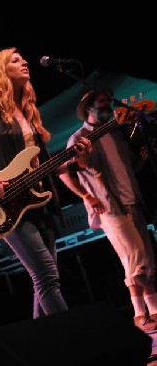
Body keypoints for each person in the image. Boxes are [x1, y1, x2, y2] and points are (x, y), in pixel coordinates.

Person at [0, 47, 92, 319]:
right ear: (1, 71)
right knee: (47, 278)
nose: (24, 61)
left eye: (22, 58)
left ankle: (40, 348)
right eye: (15, 60)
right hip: (6, 204)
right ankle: (73, 343)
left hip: (36, 200)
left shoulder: (26, 110)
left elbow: (40, 166)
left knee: (44, 281)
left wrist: (73, 161)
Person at [58, 88, 157, 332]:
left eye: (107, 103)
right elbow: (64, 172)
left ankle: (154, 311)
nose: (106, 106)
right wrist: (86, 196)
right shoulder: (79, 138)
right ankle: (138, 315)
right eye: (101, 103)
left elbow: (128, 169)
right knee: (136, 259)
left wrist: (144, 155)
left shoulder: (114, 133)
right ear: (89, 109)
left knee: (147, 258)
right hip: (109, 207)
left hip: (132, 200)